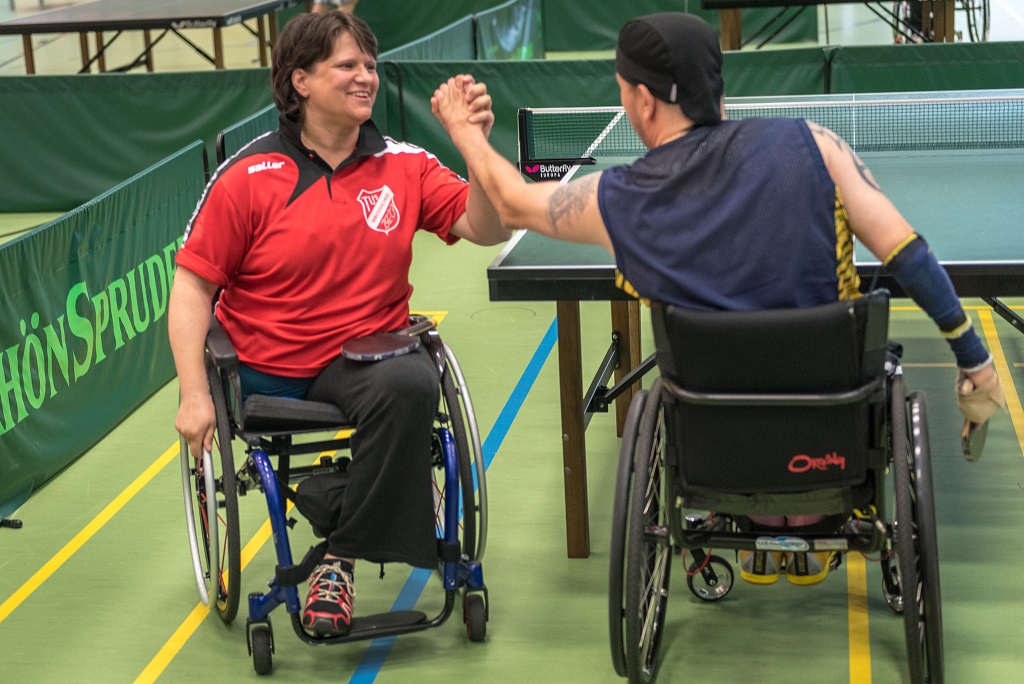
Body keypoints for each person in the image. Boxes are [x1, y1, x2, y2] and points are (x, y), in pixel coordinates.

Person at [431, 12, 1006, 586]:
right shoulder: (814, 144)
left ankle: (739, 516)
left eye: (623, 90)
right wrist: (974, 359)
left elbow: (509, 202)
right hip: (832, 434)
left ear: (645, 102)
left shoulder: (621, 199)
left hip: (716, 448)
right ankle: (821, 511)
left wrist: (464, 131)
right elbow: (907, 253)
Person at [169, 10, 508, 637]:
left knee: (411, 387)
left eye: (371, 66)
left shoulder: (404, 165)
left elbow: (486, 228)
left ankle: (338, 555)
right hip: (270, 371)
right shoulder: (246, 177)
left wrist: (474, 146)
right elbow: (192, 287)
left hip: (361, 361)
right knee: (394, 419)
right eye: (346, 66)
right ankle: (359, 500)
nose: (366, 78)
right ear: (299, 80)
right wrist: (194, 392)